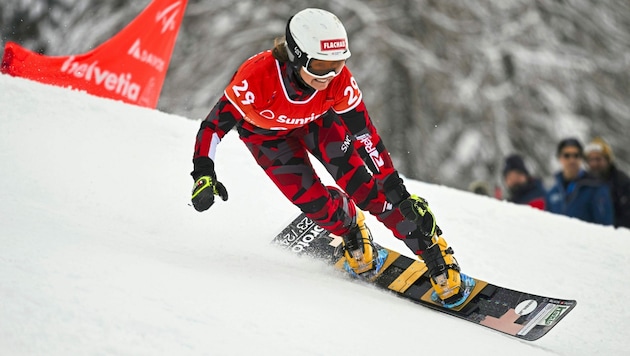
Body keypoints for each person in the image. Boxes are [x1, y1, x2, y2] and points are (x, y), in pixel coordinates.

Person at [189, 8, 473, 307]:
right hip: (267, 137)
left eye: (338, 64)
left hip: (318, 124)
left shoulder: (338, 81)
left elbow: (366, 137)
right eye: (322, 66)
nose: (331, 75)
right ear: (297, 56)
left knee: (373, 192)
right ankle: (350, 226)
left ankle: (434, 253)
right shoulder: (256, 78)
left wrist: (398, 192)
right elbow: (212, 127)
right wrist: (203, 173)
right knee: (314, 205)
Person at [545, 138, 614, 226]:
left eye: (576, 155)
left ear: (581, 158)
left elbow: (606, 227)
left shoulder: (596, 188)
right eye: (567, 155)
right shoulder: (552, 193)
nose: (572, 160)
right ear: (560, 158)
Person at [584, 137, 630, 229]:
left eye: (598, 159)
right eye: (591, 160)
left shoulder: (622, 182)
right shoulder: (584, 183)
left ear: (608, 160)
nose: (594, 164)